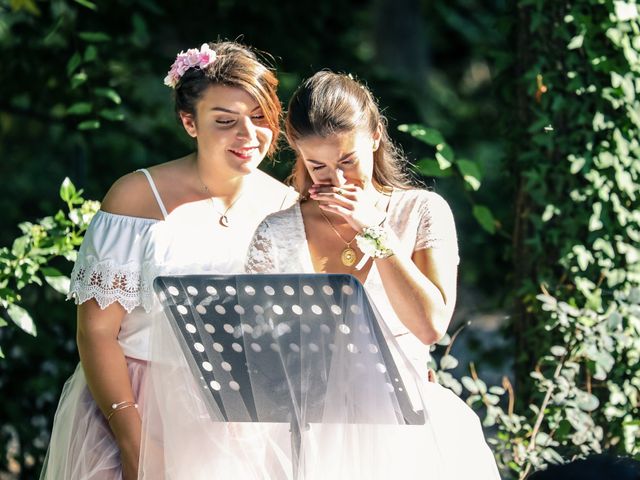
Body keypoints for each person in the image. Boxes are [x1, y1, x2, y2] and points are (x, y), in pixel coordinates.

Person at [40, 41, 297, 480]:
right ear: (188, 122)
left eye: (259, 117)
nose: (248, 135)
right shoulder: (136, 198)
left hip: (242, 421)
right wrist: (131, 438)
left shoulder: (287, 205)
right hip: (135, 402)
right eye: (225, 121)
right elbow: (96, 331)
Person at [244, 71, 501, 478]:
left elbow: (430, 326)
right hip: (307, 439)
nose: (337, 179)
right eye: (318, 166)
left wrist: (376, 232)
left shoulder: (421, 211)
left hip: (408, 435)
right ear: (299, 154)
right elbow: (258, 353)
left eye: (348, 160)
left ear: (376, 136)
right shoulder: (275, 232)